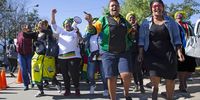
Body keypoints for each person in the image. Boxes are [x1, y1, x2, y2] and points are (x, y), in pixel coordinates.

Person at [85, 0, 134, 99]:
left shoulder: (124, 20)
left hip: (123, 52)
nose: (114, 7)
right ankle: (113, 98)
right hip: (108, 53)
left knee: (126, 75)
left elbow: (130, 33)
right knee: (112, 77)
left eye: (116, 5)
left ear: (119, 7)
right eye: (112, 6)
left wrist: (133, 32)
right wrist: (90, 22)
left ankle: (127, 94)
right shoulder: (103, 19)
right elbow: (93, 30)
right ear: (109, 8)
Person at [138, 0, 185, 100]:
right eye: (154, 6)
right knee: (155, 80)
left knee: (170, 80)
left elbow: (177, 38)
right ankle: (155, 92)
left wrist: (179, 52)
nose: (157, 8)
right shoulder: (145, 22)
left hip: (168, 54)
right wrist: (140, 53)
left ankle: (169, 98)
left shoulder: (171, 21)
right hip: (152, 55)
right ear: (151, 9)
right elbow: (141, 39)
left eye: (159, 6)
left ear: (163, 7)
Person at [51, 9, 82, 96]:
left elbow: (81, 40)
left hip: (74, 56)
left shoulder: (75, 32)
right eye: (66, 23)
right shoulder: (61, 31)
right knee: (65, 75)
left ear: (71, 24)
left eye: (69, 23)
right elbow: (53, 24)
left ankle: (77, 88)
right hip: (62, 57)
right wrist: (53, 14)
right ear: (64, 25)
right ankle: (67, 89)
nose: (67, 24)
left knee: (74, 73)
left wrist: (78, 32)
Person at [23, 20, 57, 97]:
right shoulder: (36, 34)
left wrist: (43, 29)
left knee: (49, 74)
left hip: (47, 57)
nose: (40, 26)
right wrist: (24, 31)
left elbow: (49, 36)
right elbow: (26, 35)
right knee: (36, 73)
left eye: (42, 25)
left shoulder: (48, 33)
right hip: (37, 56)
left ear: (45, 26)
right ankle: (41, 91)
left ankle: (57, 84)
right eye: (39, 24)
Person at [84, 18, 108, 96]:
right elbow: (84, 43)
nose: (94, 25)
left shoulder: (103, 33)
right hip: (92, 56)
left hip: (102, 56)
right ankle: (92, 85)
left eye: (96, 23)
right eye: (93, 23)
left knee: (104, 74)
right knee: (90, 74)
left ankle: (105, 89)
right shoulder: (88, 35)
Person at [175, 11, 197, 93]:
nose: (179, 16)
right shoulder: (174, 25)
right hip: (179, 48)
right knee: (182, 67)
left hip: (190, 48)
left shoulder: (187, 24)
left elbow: (193, 35)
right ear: (175, 17)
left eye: (180, 15)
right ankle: (182, 83)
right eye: (177, 15)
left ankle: (183, 81)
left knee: (191, 67)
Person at [126, 12, 145, 93]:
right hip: (130, 52)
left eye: (133, 18)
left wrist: (136, 30)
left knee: (138, 69)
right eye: (130, 19)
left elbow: (142, 39)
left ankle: (141, 86)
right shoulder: (127, 28)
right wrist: (130, 31)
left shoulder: (140, 28)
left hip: (138, 51)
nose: (132, 20)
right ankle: (136, 85)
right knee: (133, 70)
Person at [16, 24, 33, 91]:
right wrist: (17, 48)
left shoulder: (31, 34)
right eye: (25, 27)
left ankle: (33, 81)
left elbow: (31, 43)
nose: (26, 28)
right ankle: (26, 84)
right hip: (21, 54)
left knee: (30, 69)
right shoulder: (19, 34)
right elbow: (17, 42)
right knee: (23, 70)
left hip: (29, 54)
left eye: (27, 27)